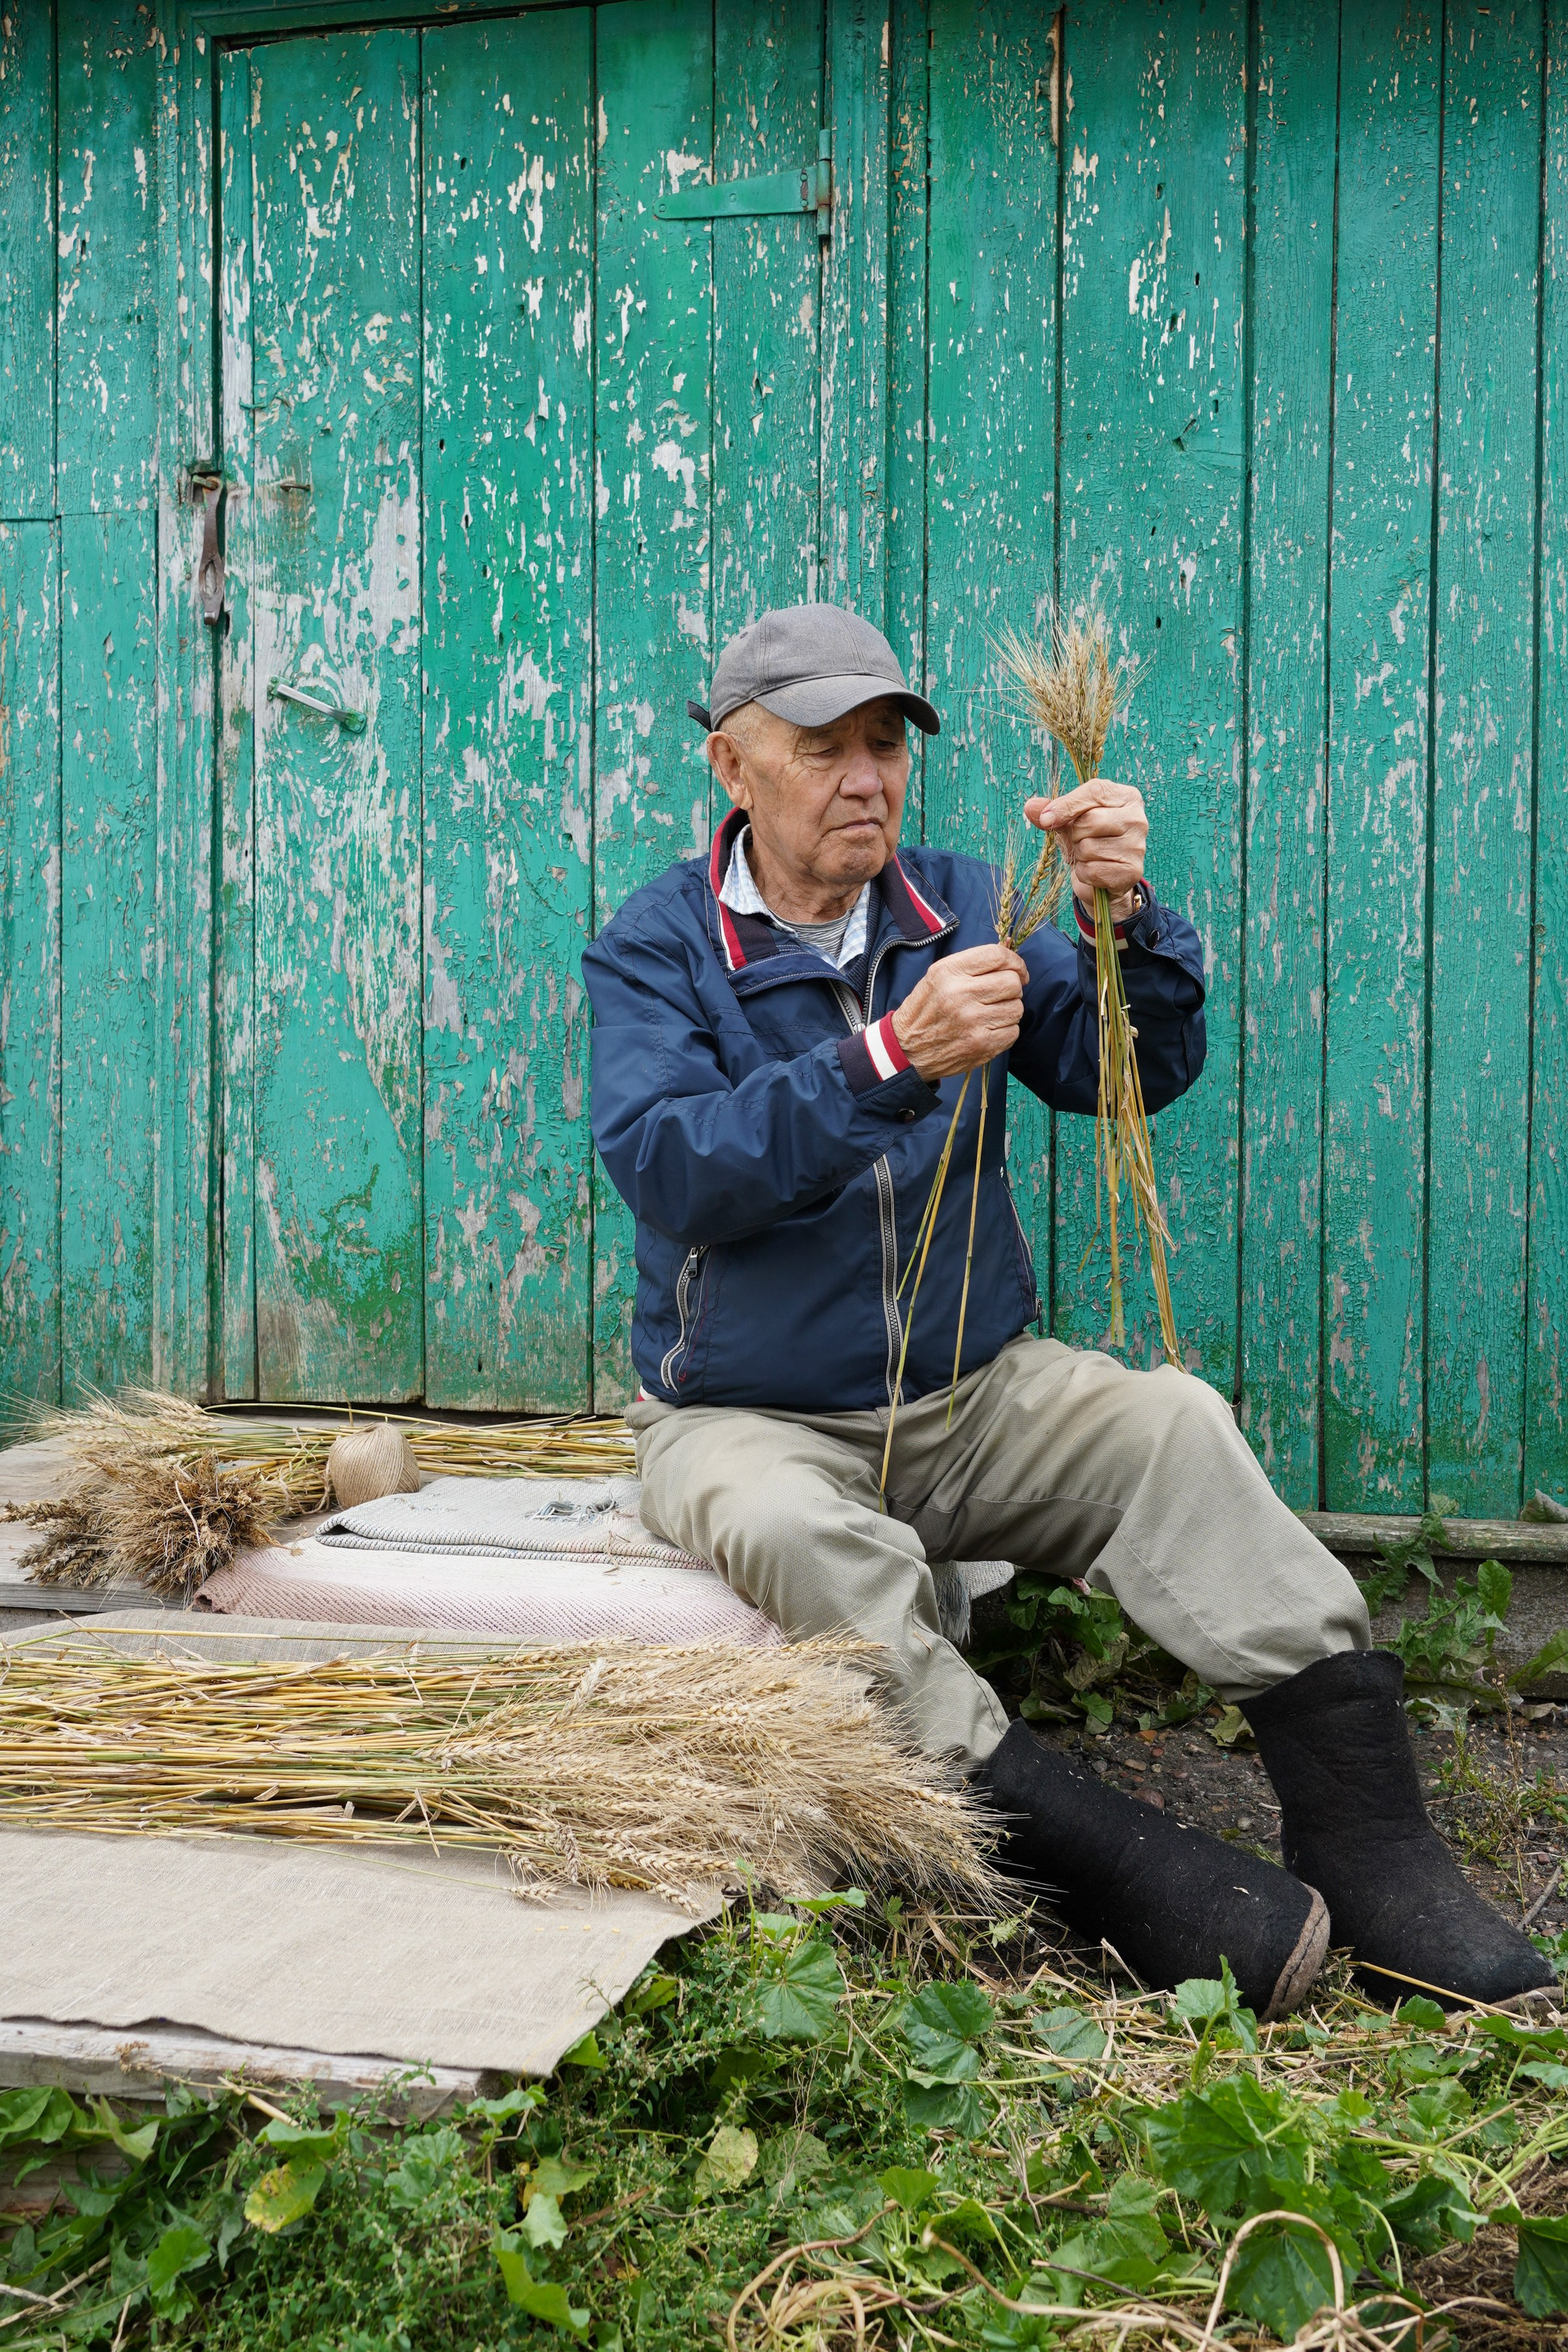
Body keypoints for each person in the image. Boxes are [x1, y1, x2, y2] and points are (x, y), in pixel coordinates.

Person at [582, 601, 1552, 2017]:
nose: (864, 778)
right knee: (795, 1534)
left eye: (883, 746)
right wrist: (884, 1059)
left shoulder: (962, 907)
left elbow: (1126, 1076)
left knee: (1168, 1425)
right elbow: (668, 1163)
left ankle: (1369, 1842)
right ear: (731, 767)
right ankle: (1102, 1863)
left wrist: (1126, 924)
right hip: (747, 1415)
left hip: (969, 1397)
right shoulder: (657, 946)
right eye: (821, 749)